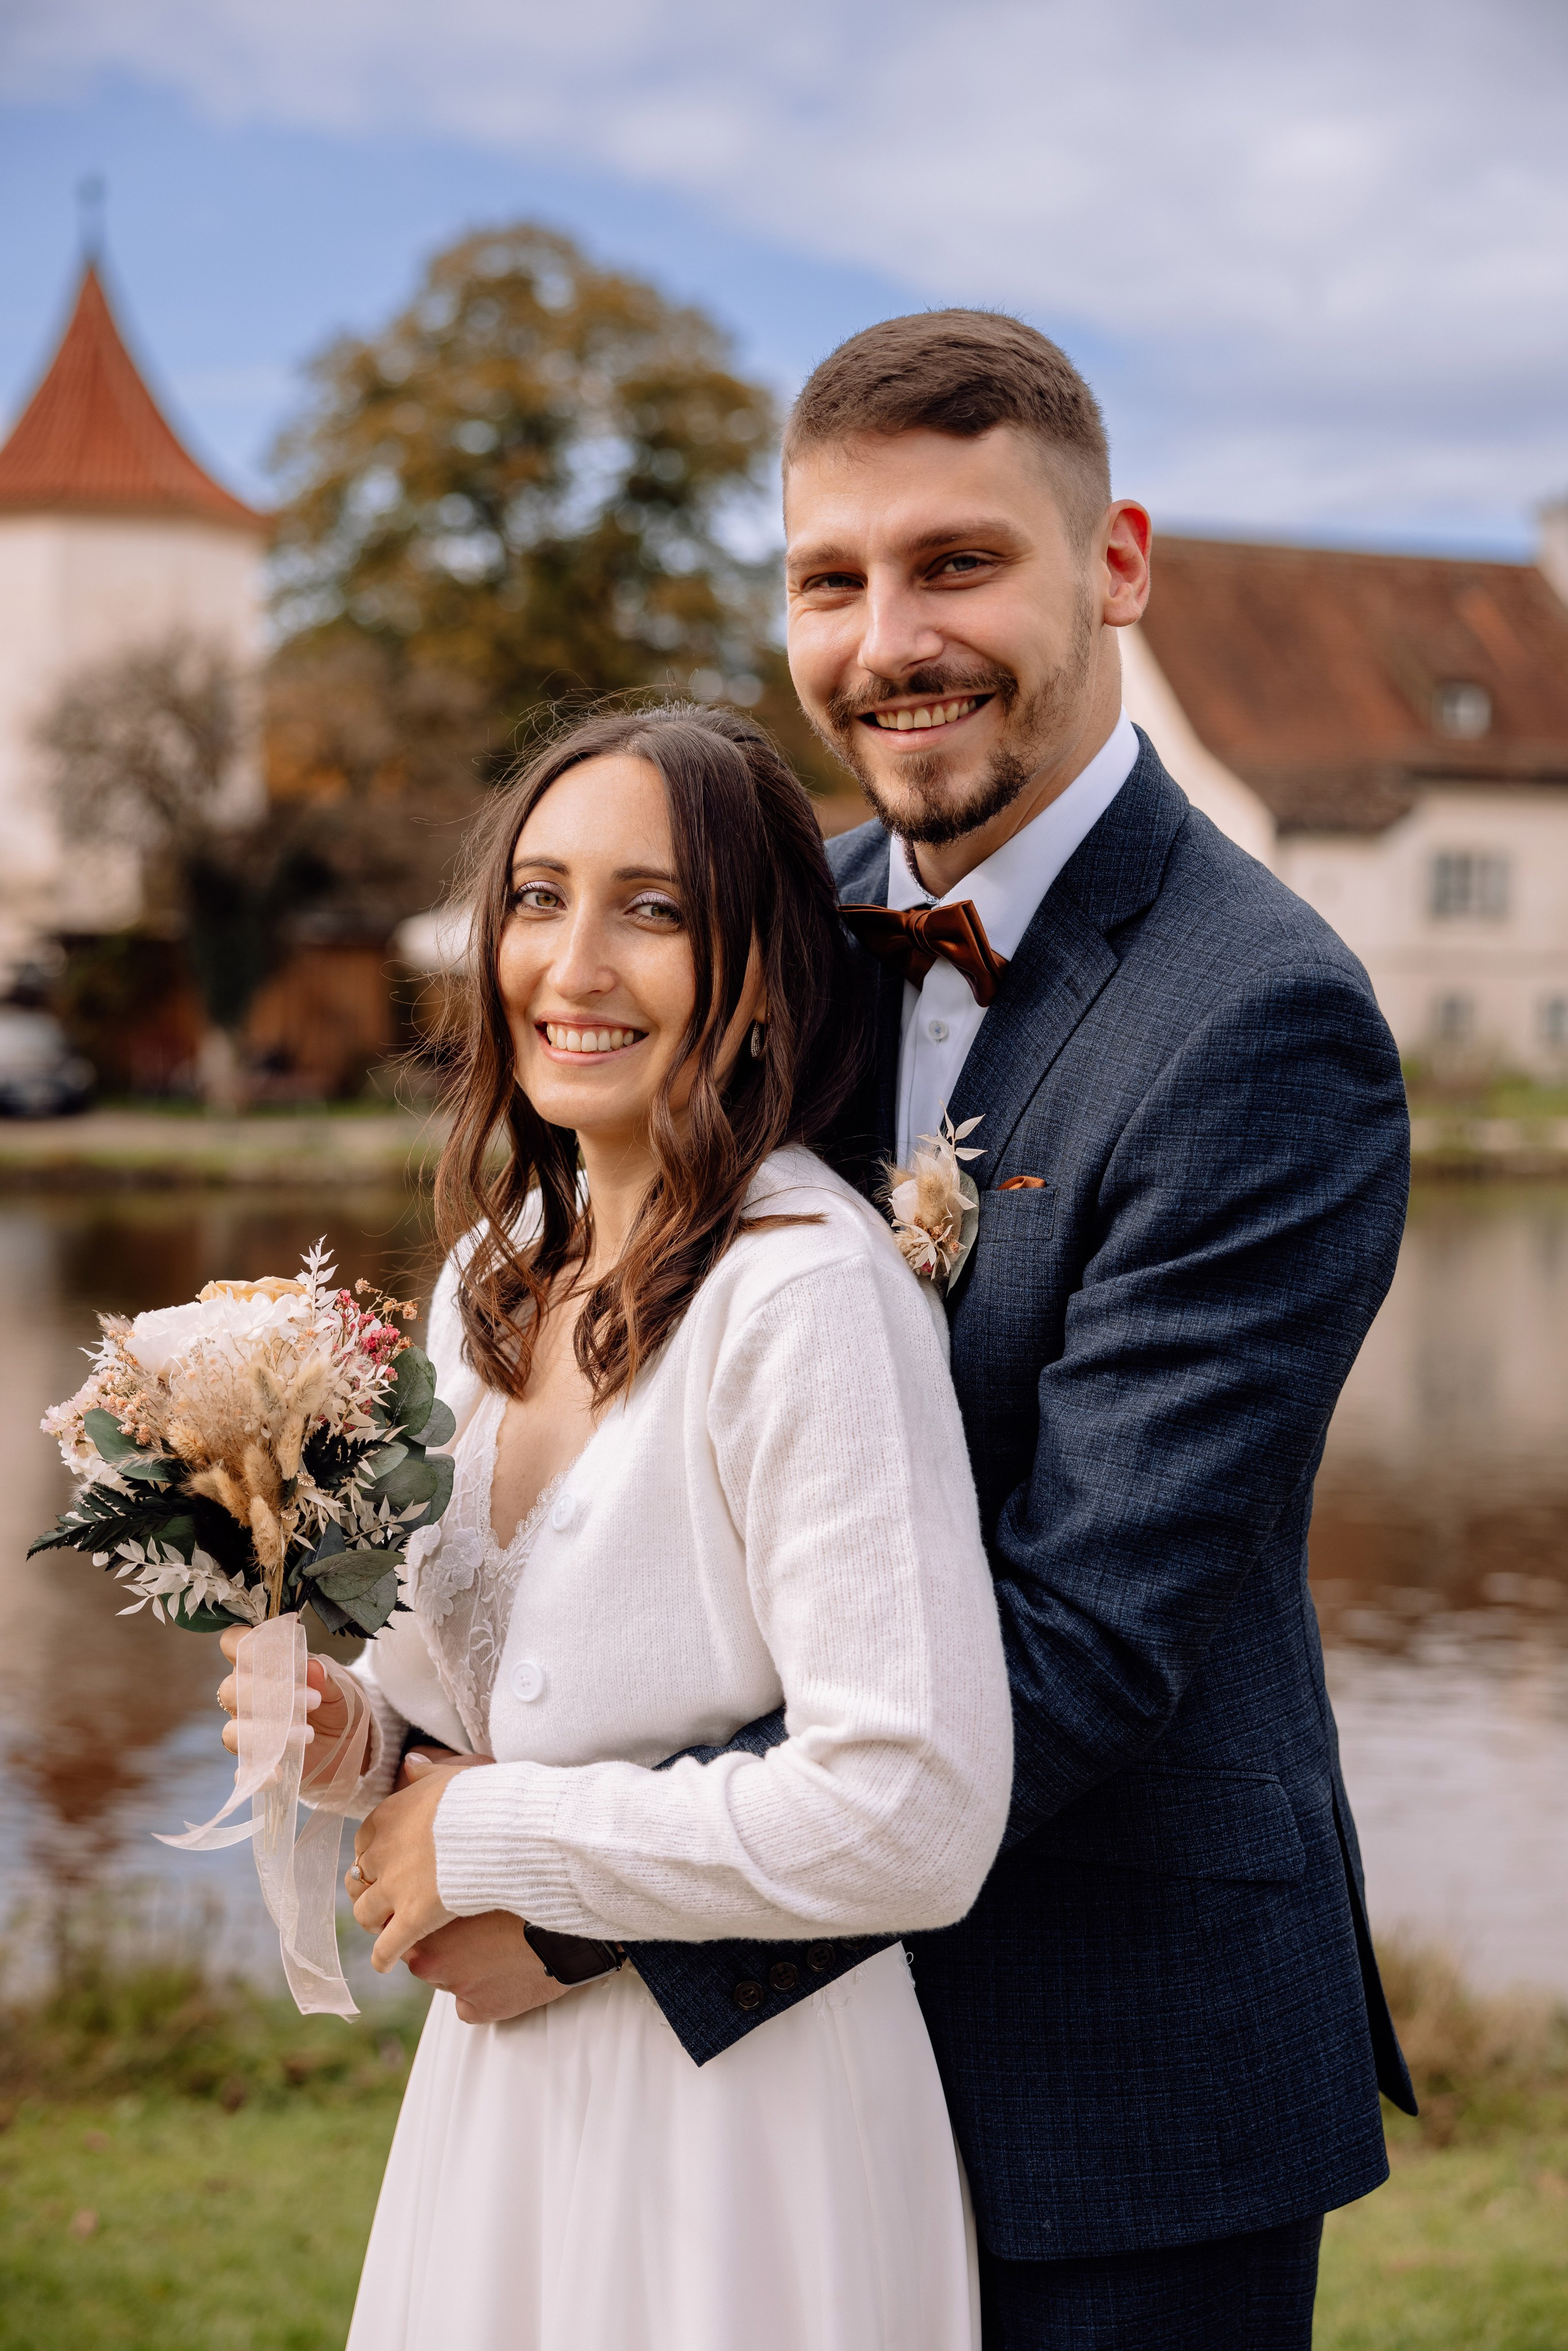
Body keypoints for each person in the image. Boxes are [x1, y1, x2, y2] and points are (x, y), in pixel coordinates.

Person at [401, 312, 1418, 2349]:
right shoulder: (773, 927)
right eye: (830, 580)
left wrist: (585, 1898)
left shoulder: (1262, 1022)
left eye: (960, 565)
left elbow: (1086, 1632)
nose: (889, 642)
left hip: (1106, 2059)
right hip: (763, 2109)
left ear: (1115, 563)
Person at [221, 703, 1012, 2351]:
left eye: (652, 910)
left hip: (744, 2130)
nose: (571, 965)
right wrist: (359, 1736)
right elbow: (492, 1706)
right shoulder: (493, 1269)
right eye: (538, 897)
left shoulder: (805, 1293)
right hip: (502, 2094)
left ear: (757, 975)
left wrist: (495, 1840)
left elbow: (916, 1806)